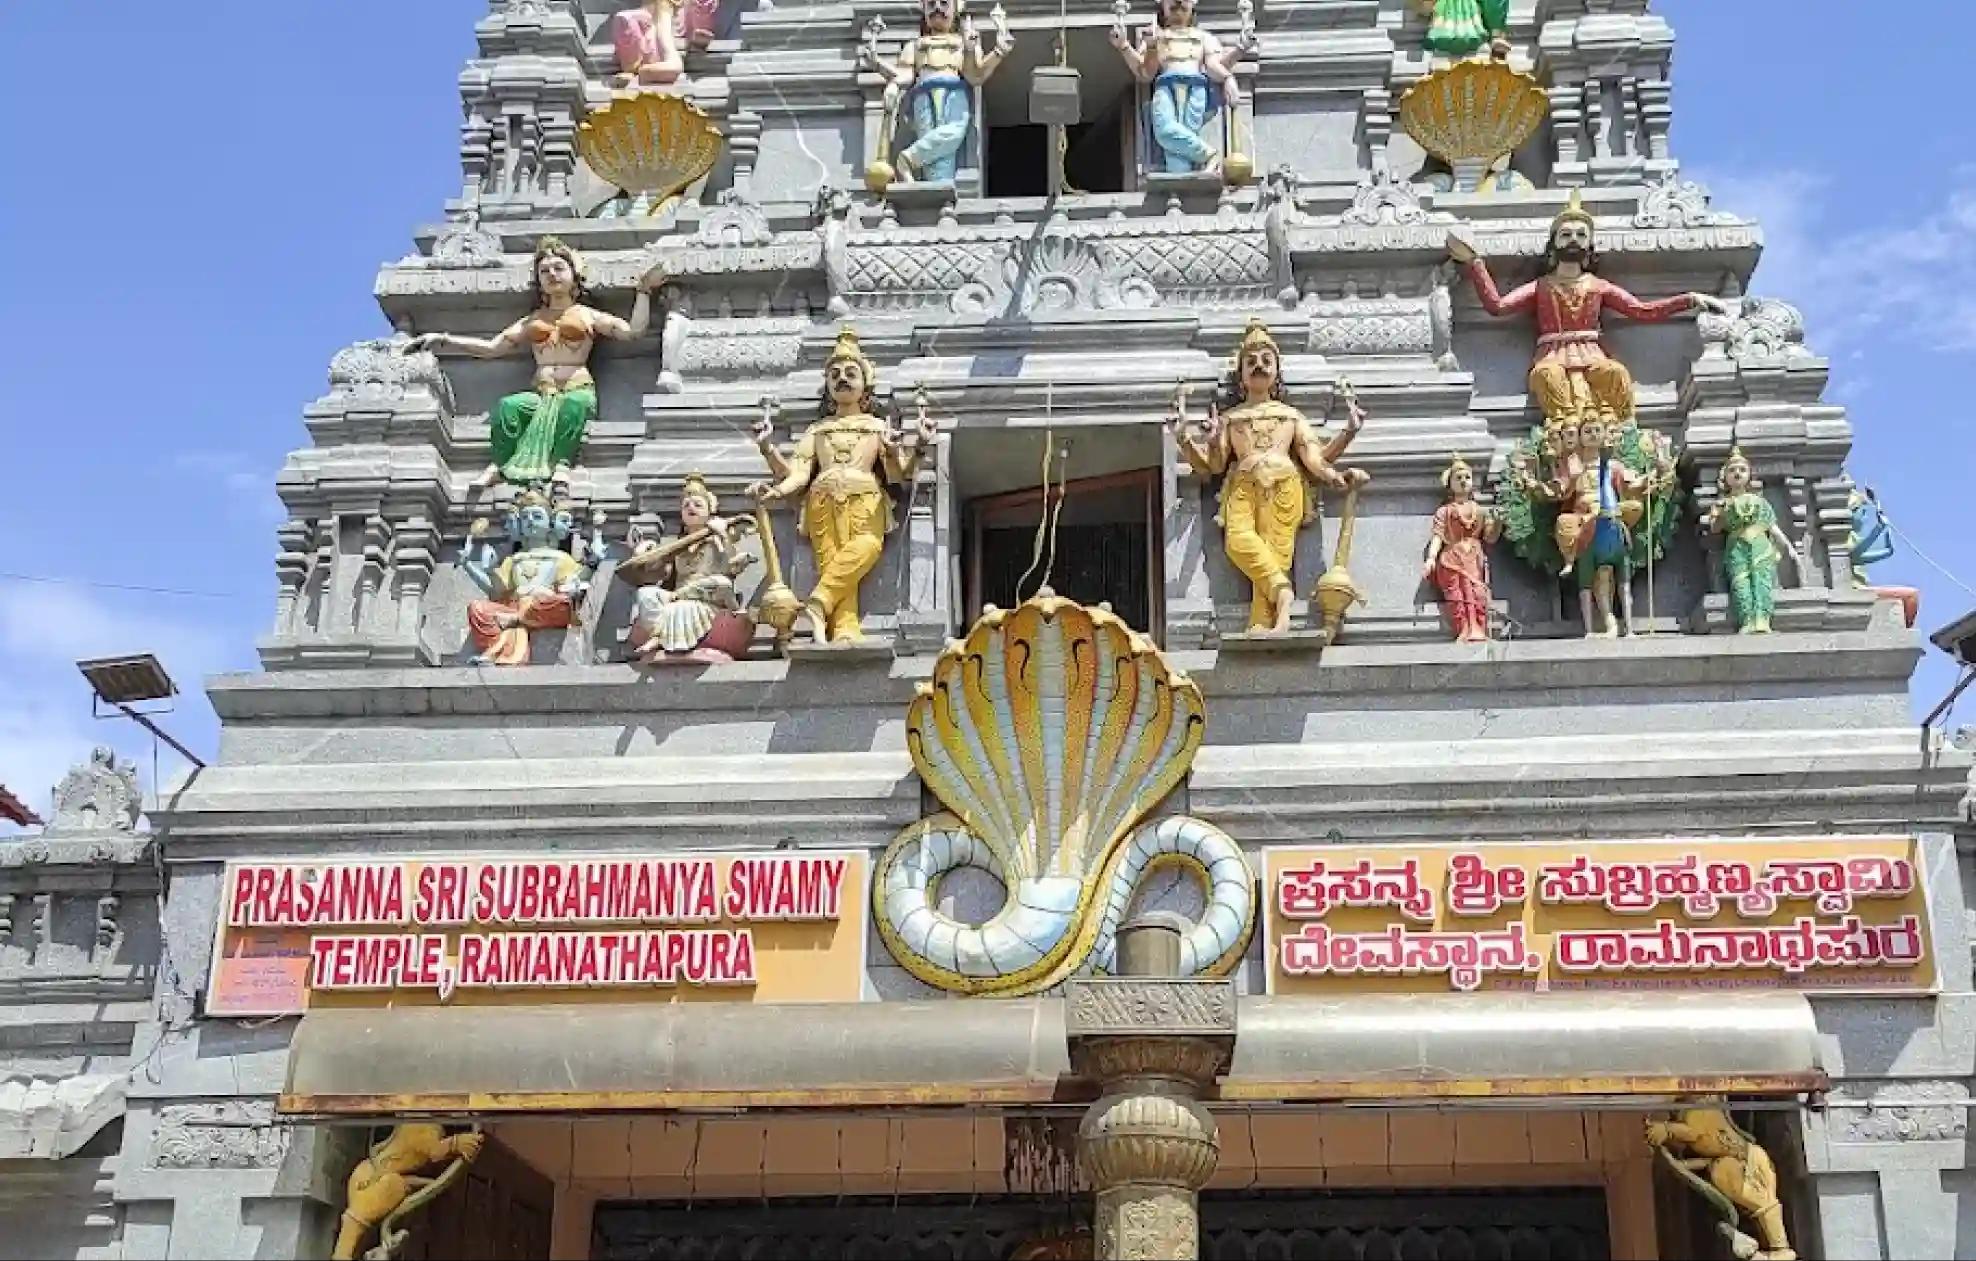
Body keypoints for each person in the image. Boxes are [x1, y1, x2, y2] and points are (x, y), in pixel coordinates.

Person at [405, 238, 667, 489]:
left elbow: (633, 332)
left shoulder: (587, 314)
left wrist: (643, 292)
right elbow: (492, 348)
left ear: (574, 274)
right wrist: (443, 339)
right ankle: (500, 464)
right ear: (539, 282)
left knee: (574, 407)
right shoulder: (532, 320)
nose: (552, 274)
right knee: (509, 408)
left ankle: (562, 464)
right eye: (544, 271)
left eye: (559, 268)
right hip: (541, 393)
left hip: (576, 388)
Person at [1173, 319, 1368, 633]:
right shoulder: (1230, 418)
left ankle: (1271, 622)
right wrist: (1186, 439)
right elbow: (1212, 465)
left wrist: (1345, 442)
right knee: (1239, 542)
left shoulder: (1290, 417)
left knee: (1275, 553)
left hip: (1284, 485)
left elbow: (1314, 457)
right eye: (1250, 362)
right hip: (1243, 487)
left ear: (1277, 371)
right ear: (1241, 376)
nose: (1258, 366)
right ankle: (1284, 593)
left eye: (1266, 361)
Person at [751, 331, 937, 644]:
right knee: (835, 565)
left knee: (867, 547)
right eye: (834, 375)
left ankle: (818, 601)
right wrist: (769, 452)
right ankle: (844, 631)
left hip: (866, 499)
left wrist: (917, 443)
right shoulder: (818, 430)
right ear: (827, 385)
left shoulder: (877, 427)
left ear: (866, 384)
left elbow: (901, 474)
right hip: (822, 500)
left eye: (851, 374)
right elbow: (797, 474)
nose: (843, 380)